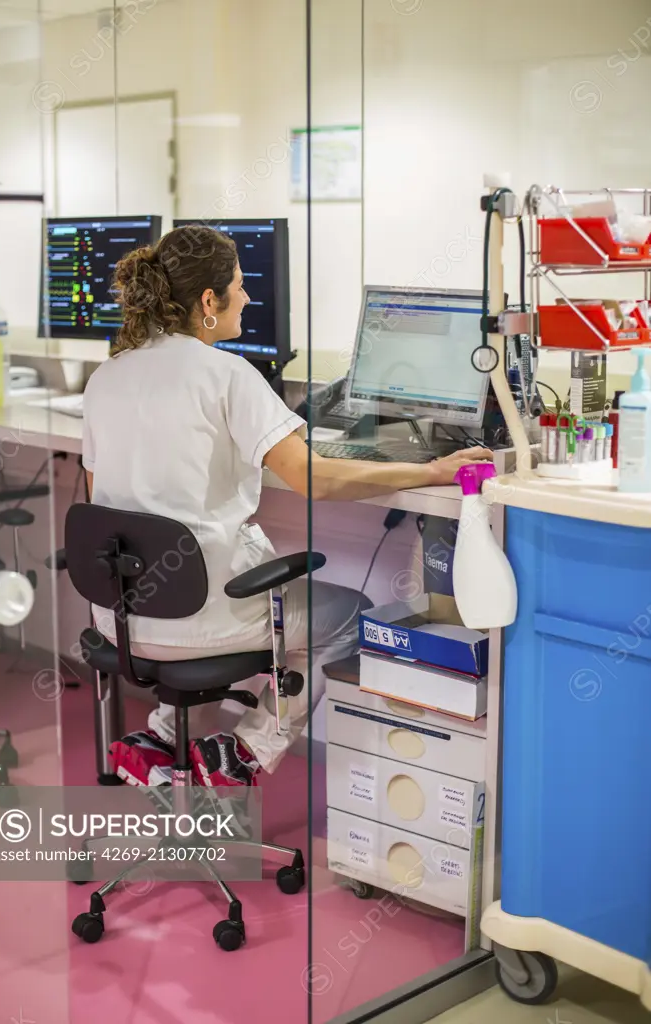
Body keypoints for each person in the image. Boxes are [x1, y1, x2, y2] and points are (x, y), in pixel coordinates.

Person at [81, 224, 490, 789]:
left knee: (240, 590)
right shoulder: (226, 374)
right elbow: (313, 478)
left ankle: (162, 737)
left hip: (120, 619)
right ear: (208, 301)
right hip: (198, 617)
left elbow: (101, 495)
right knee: (347, 615)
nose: (248, 298)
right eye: (240, 286)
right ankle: (243, 749)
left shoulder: (107, 376)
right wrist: (430, 472)